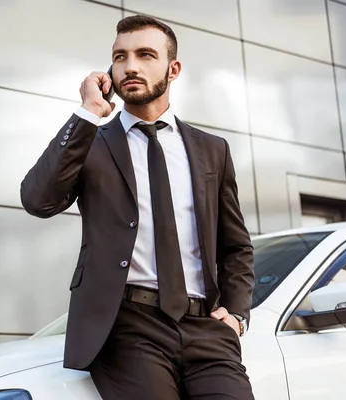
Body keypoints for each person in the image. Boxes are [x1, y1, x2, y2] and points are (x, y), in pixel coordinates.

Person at [20, 14, 255, 400]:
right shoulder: (91, 143)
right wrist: (87, 113)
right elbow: (38, 200)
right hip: (129, 328)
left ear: (173, 68)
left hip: (207, 329)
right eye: (120, 57)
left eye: (146, 55)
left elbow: (236, 245)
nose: (130, 66)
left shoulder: (212, 150)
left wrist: (236, 315)